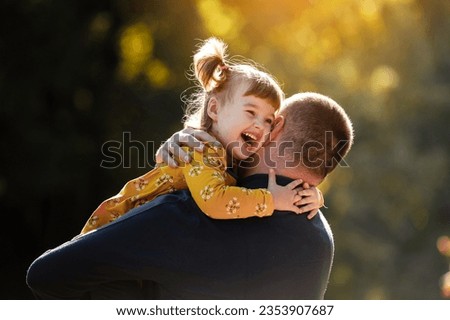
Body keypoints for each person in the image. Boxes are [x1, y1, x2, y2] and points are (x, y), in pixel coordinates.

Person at [26, 91, 354, 299]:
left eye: (264, 119)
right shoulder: (320, 240)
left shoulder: (185, 214)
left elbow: (47, 275)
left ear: (277, 128)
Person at [80, 37, 323, 234]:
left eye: (269, 120)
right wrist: (272, 201)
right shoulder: (200, 149)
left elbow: (284, 178)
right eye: (251, 112)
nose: (261, 125)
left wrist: (311, 196)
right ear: (215, 109)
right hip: (112, 230)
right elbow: (214, 201)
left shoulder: (234, 160)